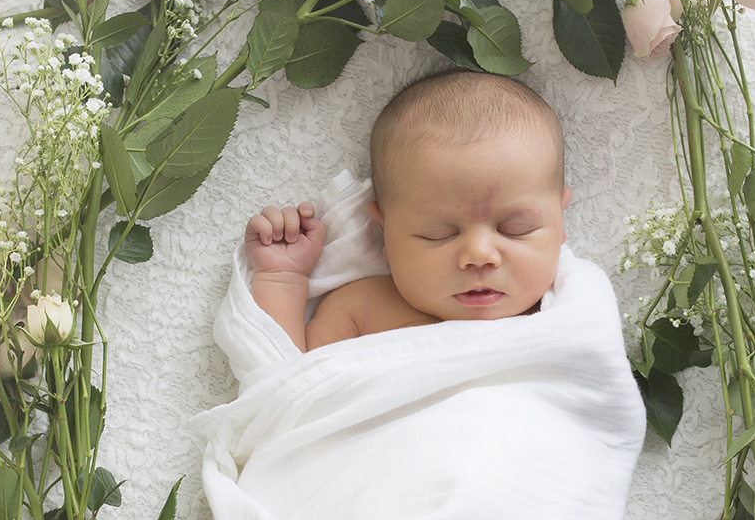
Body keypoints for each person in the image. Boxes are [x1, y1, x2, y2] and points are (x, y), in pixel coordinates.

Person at [244, 69, 572, 350]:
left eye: (516, 229)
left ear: (559, 222)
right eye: (437, 235)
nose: (479, 255)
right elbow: (287, 386)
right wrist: (282, 280)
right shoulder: (361, 308)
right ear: (385, 233)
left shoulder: (571, 311)